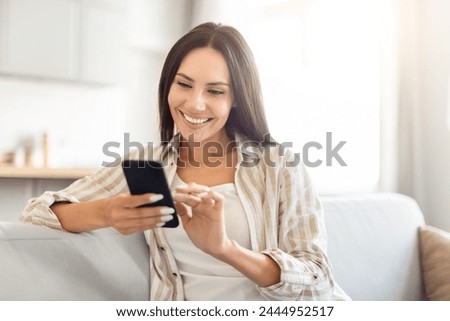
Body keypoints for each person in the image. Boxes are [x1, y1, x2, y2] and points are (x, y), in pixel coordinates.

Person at [21, 22, 349, 301]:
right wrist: (108, 212)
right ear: (168, 84)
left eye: (215, 92)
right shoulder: (146, 163)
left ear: (237, 99)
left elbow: (318, 280)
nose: (194, 104)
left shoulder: (279, 166)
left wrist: (224, 248)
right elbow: (35, 212)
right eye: (184, 84)